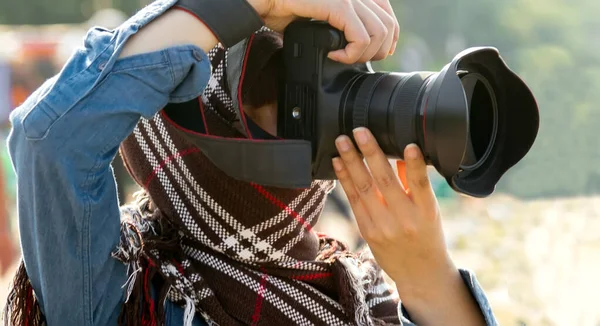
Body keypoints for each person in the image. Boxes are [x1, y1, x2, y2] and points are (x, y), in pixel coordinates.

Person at [3, 0, 497, 325]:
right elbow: (50, 138)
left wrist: (431, 282)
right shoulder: (118, 298)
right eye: (274, 89)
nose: (322, 113)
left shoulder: (361, 297)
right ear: (192, 141)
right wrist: (248, 3)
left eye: (331, 75)